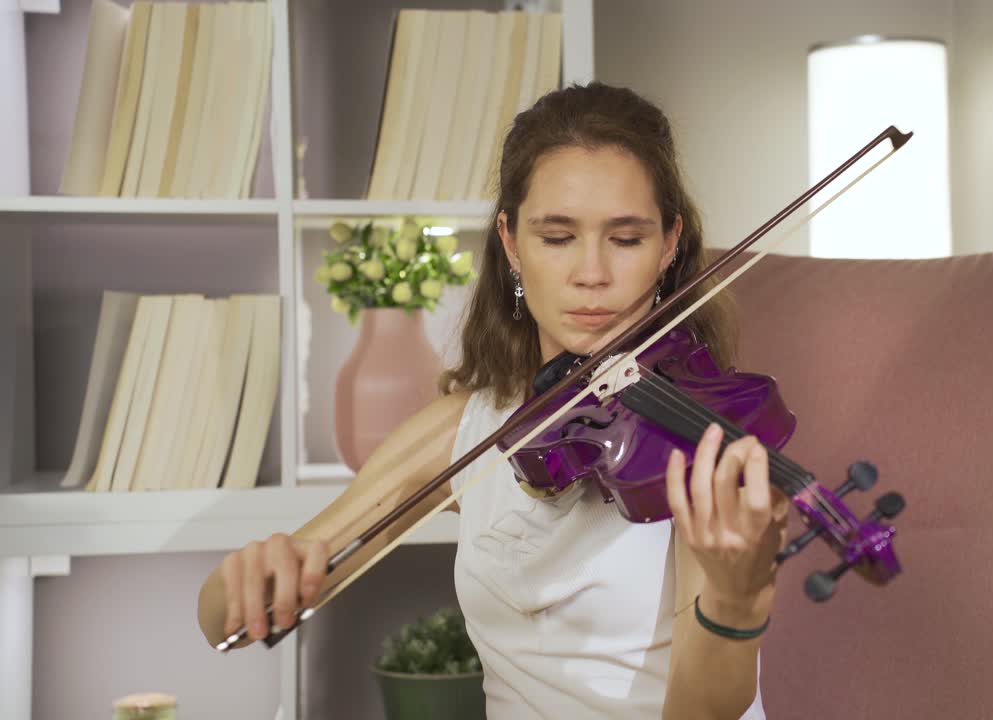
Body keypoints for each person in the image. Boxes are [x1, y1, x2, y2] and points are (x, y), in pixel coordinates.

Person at [196, 81, 790, 719]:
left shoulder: (702, 441)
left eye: (626, 239)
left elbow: (704, 714)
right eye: (557, 237)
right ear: (511, 243)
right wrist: (260, 570)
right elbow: (220, 617)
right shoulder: (469, 429)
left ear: (669, 246)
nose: (591, 273)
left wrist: (735, 605)